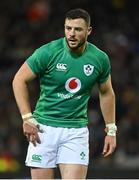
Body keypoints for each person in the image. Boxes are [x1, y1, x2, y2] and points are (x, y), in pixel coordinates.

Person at [12, 8, 117, 179]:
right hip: (43, 130)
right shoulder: (48, 52)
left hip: (76, 131)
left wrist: (111, 130)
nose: (72, 34)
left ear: (89, 31)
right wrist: (26, 117)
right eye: (68, 28)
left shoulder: (99, 58)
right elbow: (19, 80)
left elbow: (106, 93)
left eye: (78, 29)